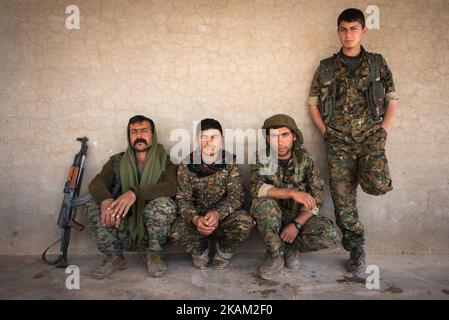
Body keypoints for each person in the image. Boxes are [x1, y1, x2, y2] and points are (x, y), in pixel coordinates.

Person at [308, 8, 399, 272]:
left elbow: (392, 99)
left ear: (363, 30)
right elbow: (313, 104)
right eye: (344, 29)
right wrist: (325, 131)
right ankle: (356, 248)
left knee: (379, 184)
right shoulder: (326, 67)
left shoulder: (377, 63)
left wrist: (383, 131)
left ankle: (364, 173)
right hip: (338, 142)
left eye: (354, 28)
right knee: (342, 198)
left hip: (371, 138)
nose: (348, 34)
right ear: (338, 31)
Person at [85, 115, 177, 279]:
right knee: (93, 204)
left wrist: (135, 193)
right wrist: (106, 200)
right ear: (129, 135)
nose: (139, 136)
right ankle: (114, 256)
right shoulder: (117, 161)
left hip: (151, 227)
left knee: (164, 204)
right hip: (123, 223)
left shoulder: (166, 161)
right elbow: (96, 182)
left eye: (144, 131)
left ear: (153, 134)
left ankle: (153, 254)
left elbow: (171, 187)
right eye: (134, 131)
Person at [251, 114, 338, 280]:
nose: (280, 142)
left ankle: (290, 248)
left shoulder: (306, 160)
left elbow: (317, 197)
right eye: (274, 136)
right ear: (268, 139)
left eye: (285, 135)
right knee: (263, 205)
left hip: (298, 217)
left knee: (329, 234)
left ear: (294, 136)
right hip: (272, 217)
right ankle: (275, 256)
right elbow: (256, 188)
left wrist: (297, 225)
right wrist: (291, 193)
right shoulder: (262, 158)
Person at [171, 118, 254, 270]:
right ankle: (201, 250)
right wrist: (195, 219)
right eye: (204, 137)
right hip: (197, 218)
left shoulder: (229, 161)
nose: (209, 142)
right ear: (197, 140)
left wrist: (217, 214)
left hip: (222, 216)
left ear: (221, 140)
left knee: (245, 222)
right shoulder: (187, 164)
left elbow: (237, 196)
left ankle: (223, 253)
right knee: (176, 229)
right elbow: (182, 199)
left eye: (214, 137)